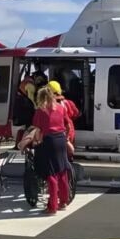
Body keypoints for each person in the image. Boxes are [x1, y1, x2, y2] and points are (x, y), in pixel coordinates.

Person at [20, 86, 70, 214]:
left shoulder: (40, 111)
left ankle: (52, 206)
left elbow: (38, 130)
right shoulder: (61, 107)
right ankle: (63, 200)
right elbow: (67, 124)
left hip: (49, 141)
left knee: (50, 173)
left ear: (40, 98)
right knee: (62, 169)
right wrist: (67, 138)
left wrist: (36, 142)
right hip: (61, 139)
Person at [48, 80, 80, 157]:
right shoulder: (69, 103)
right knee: (67, 156)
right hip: (69, 131)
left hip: (57, 134)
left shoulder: (49, 105)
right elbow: (76, 114)